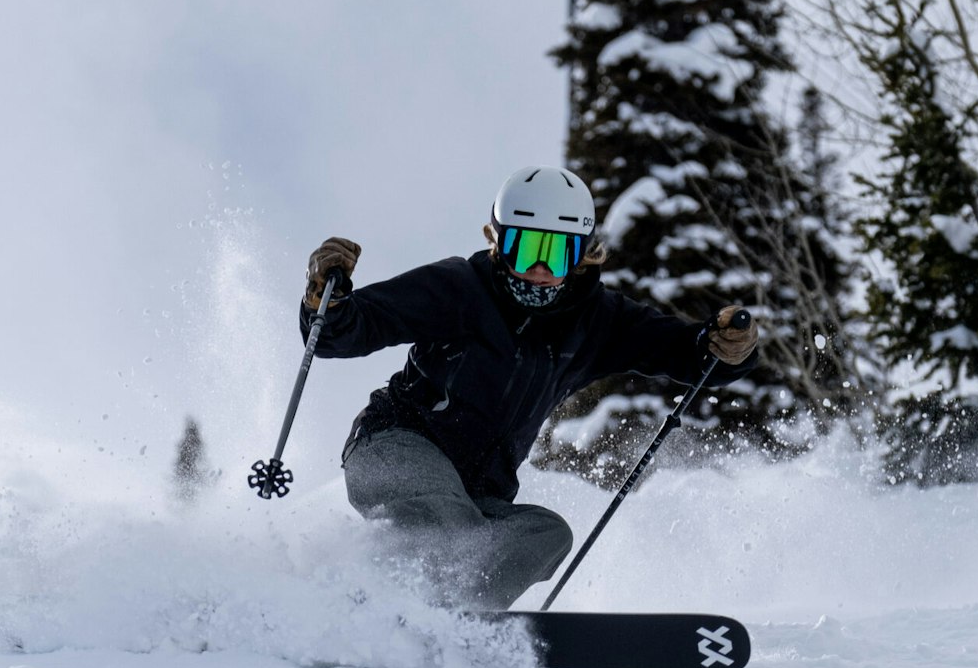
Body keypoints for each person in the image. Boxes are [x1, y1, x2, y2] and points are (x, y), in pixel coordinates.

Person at [299, 165, 758, 609]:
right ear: (499, 242)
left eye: (558, 253)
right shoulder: (459, 289)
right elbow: (349, 330)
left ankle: (460, 620)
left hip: (478, 495)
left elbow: (686, 353)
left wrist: (722, 347)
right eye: (525, 249)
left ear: (582, 255)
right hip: (394, 447)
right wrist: (327, 300)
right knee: (449, 528)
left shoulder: (598, 322)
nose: (540, 268)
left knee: (546, 534)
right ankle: (386, 608)